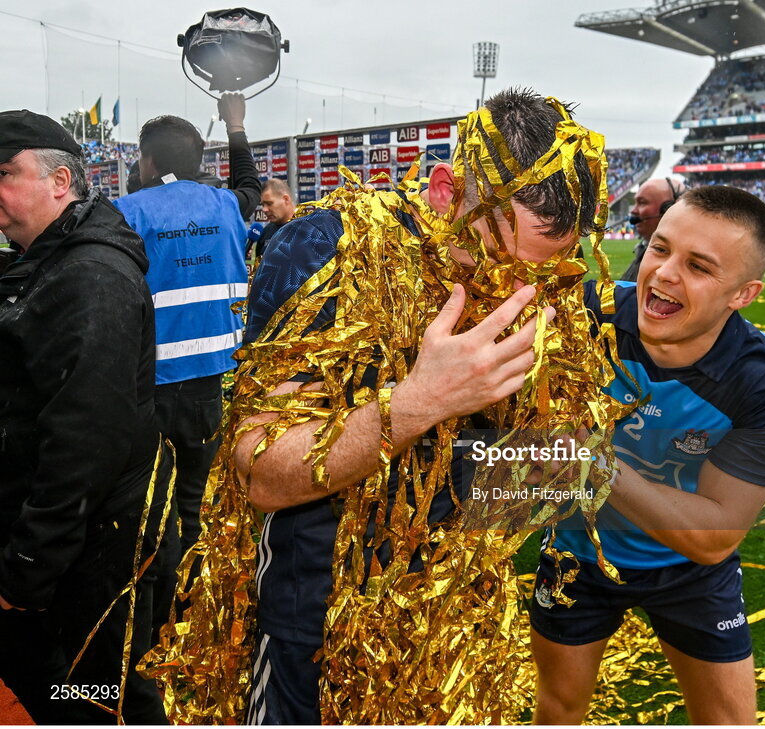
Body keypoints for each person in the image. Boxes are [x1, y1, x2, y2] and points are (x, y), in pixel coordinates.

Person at [146, 88, 622, 725]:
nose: (516, 287)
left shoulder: (549, 290)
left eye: (542, 272)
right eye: (496, 256)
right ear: (447, 192)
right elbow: (258, 470)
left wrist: (519, 459)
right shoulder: (330, 247)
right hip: (312, 628)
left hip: (453, 628)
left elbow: (566, 478)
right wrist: (419, 404)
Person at [529, 185, 765, 725]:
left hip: (688, 572)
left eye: (699, 266)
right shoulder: (587, 313)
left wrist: (593, 463)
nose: (663, 274)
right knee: (558, 709)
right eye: (660, 249)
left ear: (744, 294)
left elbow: (715, 538)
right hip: (577, 553)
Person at [0, 110, 166, 723]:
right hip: (69, 544)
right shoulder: (46, 260)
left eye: (5, 173)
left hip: (90, 552)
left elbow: (83, 446)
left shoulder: (89, 276)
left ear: (61, 182)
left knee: (96, 696)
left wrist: (26, 567)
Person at [113, 93, 260, 589]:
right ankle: (194, 606)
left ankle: (155, 608)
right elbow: (249, 184)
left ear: (148, 160)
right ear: (199, 162)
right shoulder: (227, 205)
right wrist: (235, 123)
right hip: (208, 387)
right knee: (195, 501)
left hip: (147, 389)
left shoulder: (123, 212)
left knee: (152, 507)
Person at [620, 176, 683, 281]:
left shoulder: (671, 267)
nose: (633, 211)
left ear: (668, 209)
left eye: (642, 202)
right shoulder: (644, 248)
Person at [248, 177, 295, 260]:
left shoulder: (306, 229)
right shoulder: (265, 233)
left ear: (286, 199)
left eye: (269, 203)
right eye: (262, 205)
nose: (264, 209)